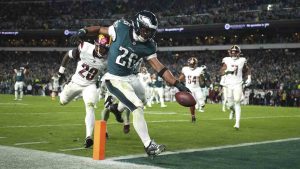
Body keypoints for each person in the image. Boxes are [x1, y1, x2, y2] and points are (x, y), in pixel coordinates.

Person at [70, 10, 190, 157]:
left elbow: (159, 67)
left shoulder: (149, 45)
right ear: (138, 25)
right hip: (115, 78)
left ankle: (117, 108)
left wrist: (177, 84)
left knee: (144, 100)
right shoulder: (121, 28)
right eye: (146, 30)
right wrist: (84, 31)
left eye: (151, 31)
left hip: (131, 77)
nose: (148, 34)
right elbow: (100, 29)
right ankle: (149, 145)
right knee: (137, 107)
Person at [58, 34, 111, 148]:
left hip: (90, 86)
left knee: (90, 107)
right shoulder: (85, 47)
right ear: (96, 45)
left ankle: (88, 137)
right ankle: (65, 87)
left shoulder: (107, 61)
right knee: (62, 101)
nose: (103, 50)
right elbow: (68, 55)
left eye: (105, 48)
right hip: (75, 83)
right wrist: (61, 72)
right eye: (101, 47)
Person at [220, 45, 251, 130]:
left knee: (237, 101)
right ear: (230, 52)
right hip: (229, 84)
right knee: (230, 105)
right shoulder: (226, 59)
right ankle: (232, 111)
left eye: (235, 52)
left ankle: (237, 123)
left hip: (238, 83)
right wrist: (226, 71)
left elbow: (247, 69)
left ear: (239, 53)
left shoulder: (242, 60)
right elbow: (221, 71)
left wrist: (249, 78)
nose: (233, 54)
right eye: (232, 52)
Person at [179, 57, 206, 122]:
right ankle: (193, 116)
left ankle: (201, 106)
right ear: (188, 64)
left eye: (193, 64)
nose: (192, 65)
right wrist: (178, 82)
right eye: (191, 64)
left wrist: (202, 75)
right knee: (192, 104)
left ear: (196, 64)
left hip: (197, 88)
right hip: (189, 89)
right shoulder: (185, 69)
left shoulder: (199, 69)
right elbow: (181, 78)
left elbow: (202, 81)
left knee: (201, 100)